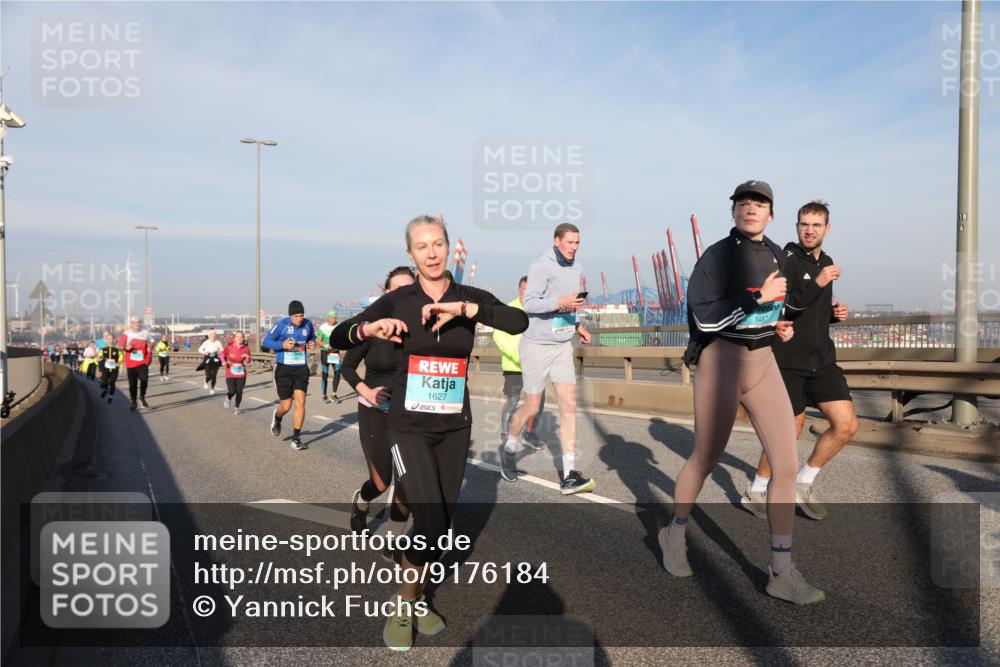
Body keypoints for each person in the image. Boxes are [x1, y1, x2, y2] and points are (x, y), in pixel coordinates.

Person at [330, 215, 528, 652]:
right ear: (411, 254)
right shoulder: (398, 300)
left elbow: (517, 322)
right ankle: (404, 604)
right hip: (406, 424)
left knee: (440, 526)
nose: (432, 252)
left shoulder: (467, 296)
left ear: (447, 246)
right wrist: (368, 328)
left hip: (455, 425)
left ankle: (416, 596)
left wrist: (465, 311)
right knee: (432, 518)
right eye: (422, 246)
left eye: (437, 244)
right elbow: (336, 337)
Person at [664, 180, 824, 605]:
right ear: (734, 211)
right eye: (743, 203)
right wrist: (757, 299)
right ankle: (674, 533)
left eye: (760, 203)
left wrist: (776, 323)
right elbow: (706, 319)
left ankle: (781, 571)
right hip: (722, 362)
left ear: (771, 214)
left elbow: (776, 306)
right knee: (705, 457)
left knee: (786, 465)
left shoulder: (776, 253)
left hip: (763, 360)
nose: (751, 208)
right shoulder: (717, 256)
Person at [741, 200, 858, 521]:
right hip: (788, 360)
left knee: (846, 425)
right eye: (804, 224)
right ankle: (757, 488)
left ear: (827, 229)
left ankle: (802, 482)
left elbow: (811, 313)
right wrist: (816, 283)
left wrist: (834, 316)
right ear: (796, 227)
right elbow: (782, 309)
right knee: (787, 432)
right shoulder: (785, 260)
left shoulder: (828, 261)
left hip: (822, 359)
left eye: (816, 225)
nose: (809, 230)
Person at [501, 223, 594, 495]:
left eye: (578, 243)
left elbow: (570, 304)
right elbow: (530, 303)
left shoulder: (576, 269)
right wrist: (559, 301)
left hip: (562, 345)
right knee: (531, 406)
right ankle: (510, 445)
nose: (574, 248)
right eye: (570, 243)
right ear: (557, 241)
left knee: (568, 406)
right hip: (537, 347)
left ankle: (568, 475)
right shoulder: (541, 265)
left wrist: (578, 326)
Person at [341, 267, 415, 547]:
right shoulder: (372, 327)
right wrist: (366, 391)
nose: (403, 295)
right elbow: (348, 366)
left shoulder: (421, 327)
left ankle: (395, 544)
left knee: (406, 481)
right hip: (375, 410)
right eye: (397, 289)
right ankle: (361, 500)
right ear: (386, 293)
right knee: (382, 482)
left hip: (409, 414)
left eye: (410, 289)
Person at [495, 275, 547, 482]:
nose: (528, 292)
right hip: (514, 366)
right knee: (514, 401)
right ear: (519, 289)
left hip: (535, 366)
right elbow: (498, 336)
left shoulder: (539, 310)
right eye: (525, 289)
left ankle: (530, 432)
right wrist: (516, 357)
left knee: (537, 402)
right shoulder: (509, 309)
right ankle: (505, 432)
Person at [262, 301, 316, 451]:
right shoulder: (282, 325)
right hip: (283, 369)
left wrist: (312, 343)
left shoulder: (308, 324)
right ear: (290, 315)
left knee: (301, 402)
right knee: (286, 405)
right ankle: (277, 417)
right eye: (296, 316)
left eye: (301, 315)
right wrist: (282, 345)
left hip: (300, 368)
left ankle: (296, 439)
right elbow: (265, 341)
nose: (299, 318)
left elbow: (312, 338)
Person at [119, 316, 153, 411]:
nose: (136, 324)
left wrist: (149, 347)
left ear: (140, 323)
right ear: (131, 324)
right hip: (131, 363)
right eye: (134, 323)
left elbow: (150, 342)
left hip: (143, 361)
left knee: (144, 379)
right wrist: (126, 347)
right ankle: (134, 401)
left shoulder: (145, 332)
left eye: (138, 322)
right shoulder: (126, 334)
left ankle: (142, 397)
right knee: (132, 384)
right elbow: (120, 347)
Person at [222, 330, 252, 415]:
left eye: (241, 337)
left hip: (241, 373)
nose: (239, 338)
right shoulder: (229, 347)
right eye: (237, 337)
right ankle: (228, 398)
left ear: (243, 338)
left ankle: (236, 407)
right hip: (230, 372)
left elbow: (249, 361)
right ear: (234, 338)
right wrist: (223, 361)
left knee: (239, 391)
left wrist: (247, 358)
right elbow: (222, 354)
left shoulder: (246, 349)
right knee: (232, 391)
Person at [316, 310, 343, 403]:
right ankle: (324, 394)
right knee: (325, 374)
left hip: (335, 352)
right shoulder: (322, 327)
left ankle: (334, 394)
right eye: (332, 318)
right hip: (325, 353)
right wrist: (326, 345)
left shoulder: (338, 326)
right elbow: (318, 340)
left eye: (335, 318)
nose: (334, 320)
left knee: (338, 372)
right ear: (328, 318)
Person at [198, 331, 225, 395]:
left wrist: (220, 352)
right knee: (209, 375)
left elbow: (222, 351)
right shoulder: (206, 342)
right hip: (208, 359)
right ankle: (206, 380)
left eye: (215, 335)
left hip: (215, 359)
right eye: (212, 334)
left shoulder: (218, 342)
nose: (214, 336)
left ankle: (212, 389)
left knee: (214, 375)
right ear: (209, 336)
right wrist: (204, 352)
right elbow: (200, 349)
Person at [99, 339, 123, 404]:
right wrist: (100, 368)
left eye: (111, 338)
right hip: (105, 368)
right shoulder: (103, 349)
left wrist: (119, 362)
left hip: (114, 368)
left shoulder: (117, 349)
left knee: (112, 382)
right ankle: (106, 390)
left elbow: (121, 356)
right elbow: (99, 357)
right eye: (109, 338)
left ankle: (111, 396)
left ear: (114, 340)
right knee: (105, 381)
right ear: (107, 340)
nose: (110, 340)